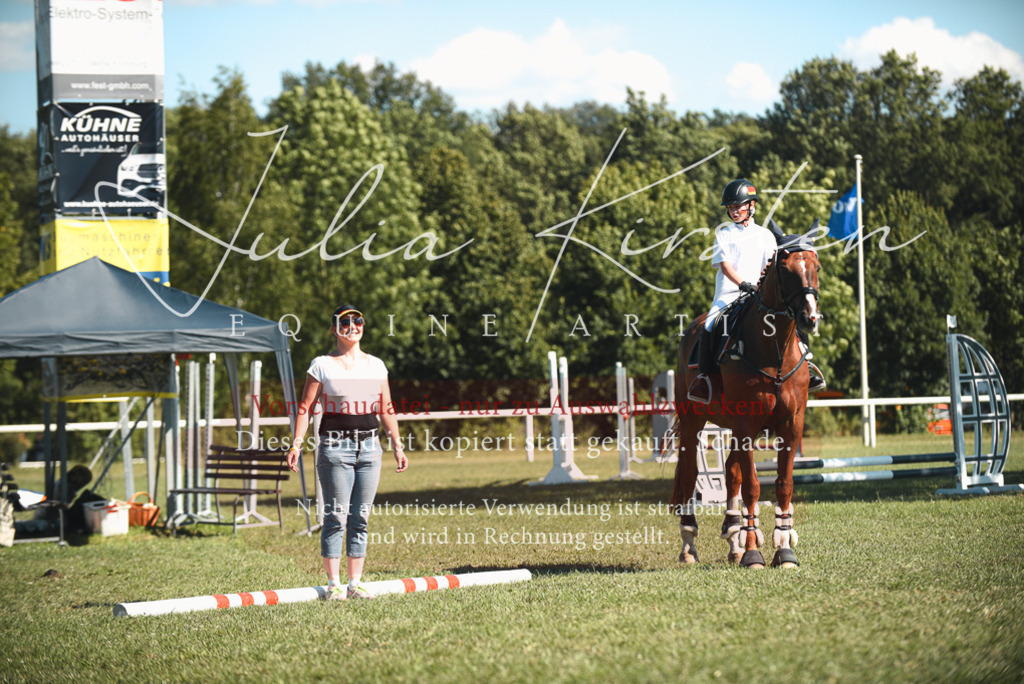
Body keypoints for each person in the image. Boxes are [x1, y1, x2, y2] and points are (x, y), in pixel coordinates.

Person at [287, 304, 408, 601]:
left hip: (370, 449)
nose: (352, 326)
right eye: (345, 322)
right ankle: (334, 584)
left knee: (360, 518)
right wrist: (296, 443)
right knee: (335, 517)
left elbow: (386, 407)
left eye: (358, 321)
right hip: (335, 447)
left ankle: (355, 583)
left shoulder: (376, 365)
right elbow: (305, 408)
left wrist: (397, 444)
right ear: (334, 329)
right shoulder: (321, 365)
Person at [687, 179, 777, 404]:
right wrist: (743, 283)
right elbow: (725, 266)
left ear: (751, 205)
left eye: (738, 206)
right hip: (729, 294)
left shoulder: (766, 235)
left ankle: (807, 365)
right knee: (709, 324)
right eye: (730, 208)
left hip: (758, 296)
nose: (734, 211)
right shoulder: (725, 234)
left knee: (789, 315)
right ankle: (704, 379)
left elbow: (770, 267)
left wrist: (760, 287)